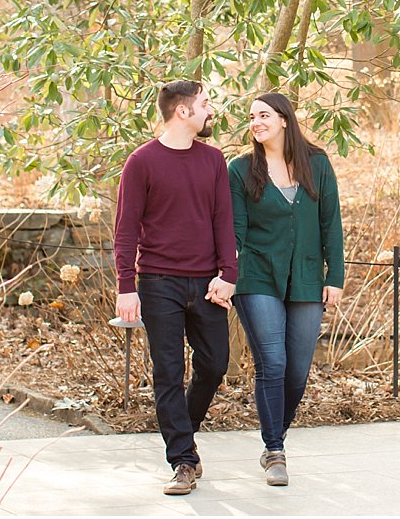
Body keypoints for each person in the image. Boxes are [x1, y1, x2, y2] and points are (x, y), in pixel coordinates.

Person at [114, 80, 237, 496]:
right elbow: (126, 230)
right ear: (182, 112)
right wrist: (125, 287)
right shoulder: (141, 162)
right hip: (157, 282)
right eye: (204, 104)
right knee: (167, 371)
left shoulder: (213, 159)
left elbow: (224, 221)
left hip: (207, 284)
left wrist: (229, 274)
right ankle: (182, 459)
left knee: (215, 365)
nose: (210, 111)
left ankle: (181, 433)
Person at [227, 92, 345, 487]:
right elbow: (236, 232)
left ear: (283, 119)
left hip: (308, 276)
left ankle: (275, 435)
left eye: (263, 115)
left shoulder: (317, 163)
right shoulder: (240, 169)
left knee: (297, 371)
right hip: (256, 275)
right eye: (251, 117)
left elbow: (332, 224)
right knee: (272, 363)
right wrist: (228, 274)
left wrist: (335, 277)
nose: (255, 122)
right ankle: (274, 449)